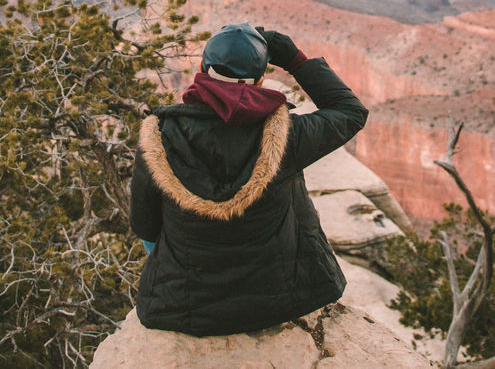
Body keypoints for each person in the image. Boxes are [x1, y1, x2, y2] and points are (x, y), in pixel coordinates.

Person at [129, 22, 369, 336]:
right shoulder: (285, 137)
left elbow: (145, 225)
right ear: (258, 80)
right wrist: (295, 60)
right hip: (283, 302)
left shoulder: (159, 137)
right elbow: (350, 111)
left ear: (202, 69)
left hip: (182, 308)